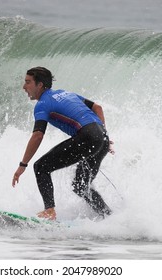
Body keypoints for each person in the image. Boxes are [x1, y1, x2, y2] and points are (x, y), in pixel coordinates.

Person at [12, 67, 114, 220]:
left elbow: (37, 136)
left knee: (40, 167)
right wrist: (103, 135)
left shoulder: (43, 104)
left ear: (39, 85)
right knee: (80, 185)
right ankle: (109, 217)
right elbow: (97, 107)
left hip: (88, 137)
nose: (24, 87)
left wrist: (23, 165)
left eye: (28, 82)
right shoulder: (66, 93)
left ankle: (49, 211)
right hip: (102, 138)